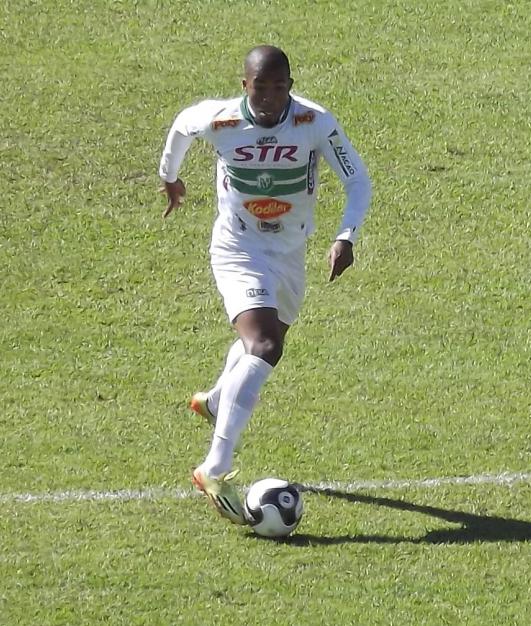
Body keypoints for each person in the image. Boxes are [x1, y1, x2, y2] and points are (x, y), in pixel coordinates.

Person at [158, 45, 372, 524]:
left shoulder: (314, 122)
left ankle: (216, 401)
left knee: (265, 343)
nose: (270, 96)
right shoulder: (220, 120)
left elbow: (357, 181)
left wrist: (346, 235)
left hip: (290, 253)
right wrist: (168, 177)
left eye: (280, 86)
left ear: (290, 87)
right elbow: (180, 125)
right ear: (244, 86)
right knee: (265, 345)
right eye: (261, 86)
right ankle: (215, 466)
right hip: (238, 248)